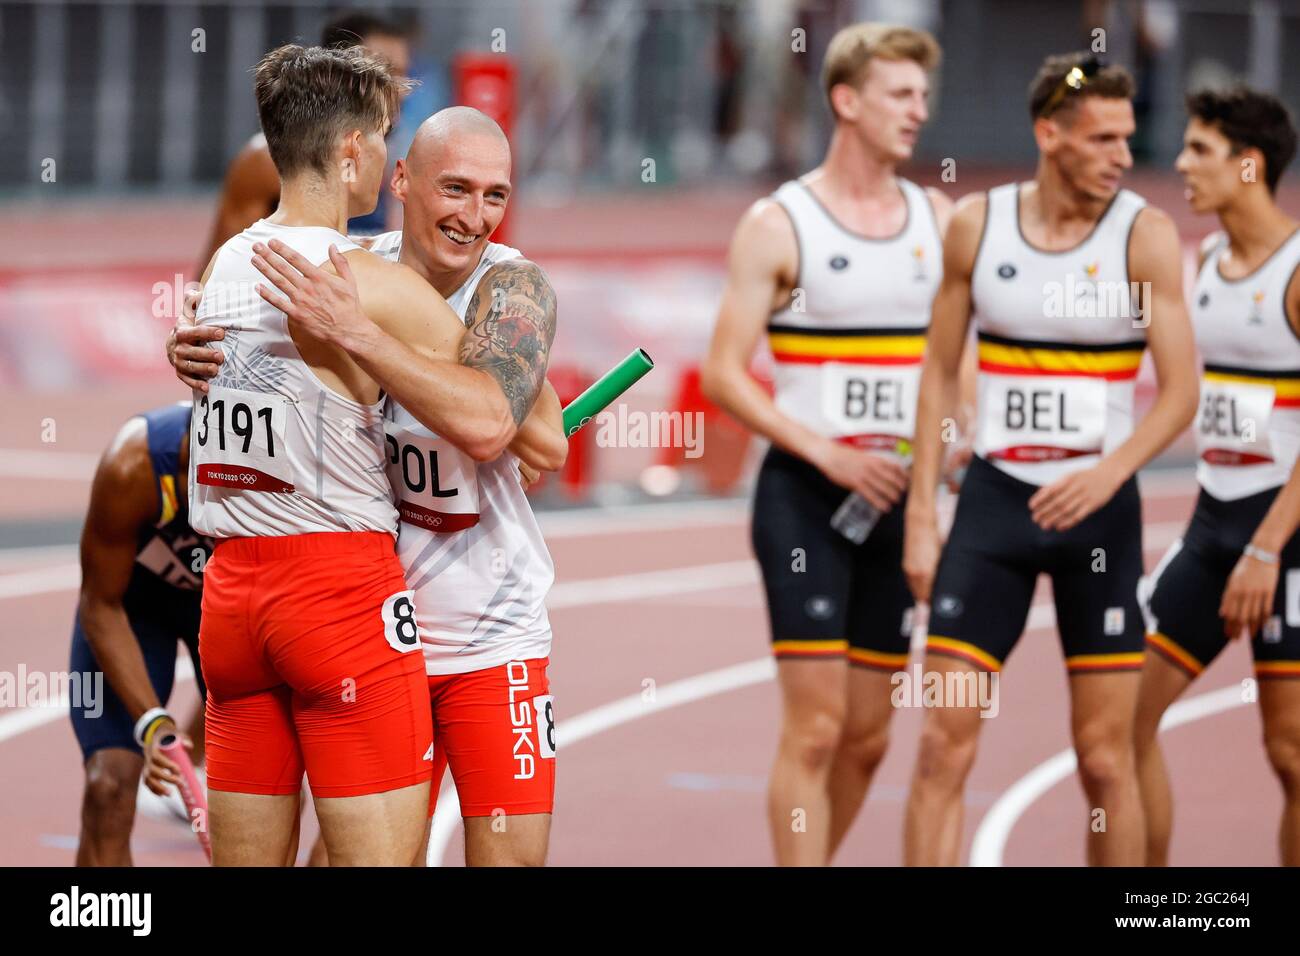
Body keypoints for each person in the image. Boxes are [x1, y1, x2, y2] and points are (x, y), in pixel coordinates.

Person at [173, 106, 566, 866]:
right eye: (456, 189)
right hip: (375, 628)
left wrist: (368, 337)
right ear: (401, 181)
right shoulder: (348, 267)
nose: (474, 216)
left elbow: (536, 436)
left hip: (490, 637)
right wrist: (193, 344)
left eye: (495, 195)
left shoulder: (510, 288)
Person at [902, 52, 1199, 866]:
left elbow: (1182, 393)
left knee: (1107, 760)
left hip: (1098, 513)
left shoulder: (1146, 235)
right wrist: (923, 516)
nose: (1121, 156)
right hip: (994, 509)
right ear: (1049, 133)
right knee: (941, 744)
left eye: (1126, 138)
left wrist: (1109, 472)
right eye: (1101, 138)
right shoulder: (979, 225)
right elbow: (935, 372)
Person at [701, 23, 954, 866]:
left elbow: (958, 364)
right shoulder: (780, 224)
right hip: (806, 500)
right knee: (815, 727)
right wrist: (827, 451)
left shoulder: (939, 220)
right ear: (847, 100)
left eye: (924, 94)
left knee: (869, 739)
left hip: (900, 502)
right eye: (900, 94)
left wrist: (951, 450)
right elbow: (725, 374)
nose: (919, 111)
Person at [1136, 86, 1300, 866]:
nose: (1180, 166)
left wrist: (1267, 552)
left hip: (1288, 540)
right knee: (1122, 722)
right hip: (1211, 528)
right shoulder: (1202, 264)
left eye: (1198, 150)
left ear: (1248, 163)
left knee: (1291, 752)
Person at [70, 404, 214, 865]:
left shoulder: (275, 476)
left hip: (225, 606)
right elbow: (100, 603)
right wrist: (152, 722)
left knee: (267, 793)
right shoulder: (133, 465)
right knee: (107, 787)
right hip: (131, 606)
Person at [196, 9, 411, 274]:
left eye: (402, 71)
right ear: (341, 70)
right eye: (385, 69)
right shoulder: (264, 159)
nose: (398, 86)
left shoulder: (383, 150)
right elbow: (217, 270)